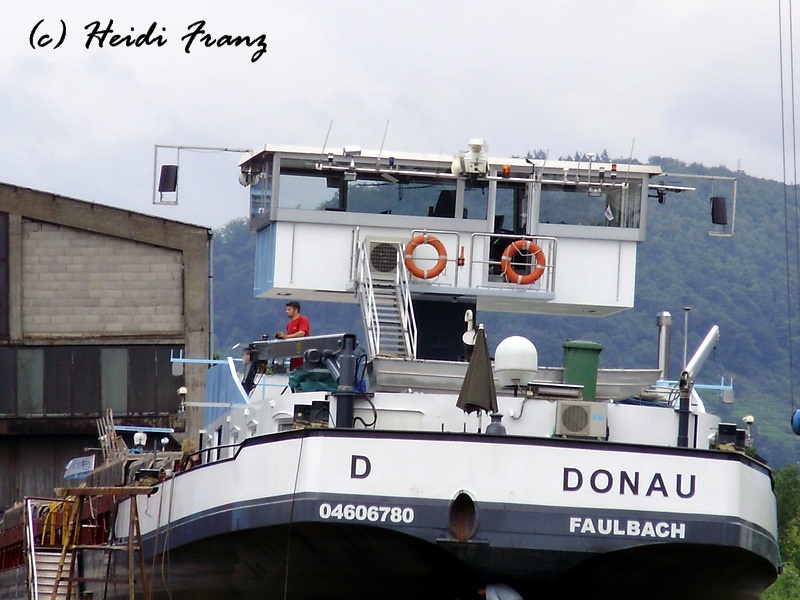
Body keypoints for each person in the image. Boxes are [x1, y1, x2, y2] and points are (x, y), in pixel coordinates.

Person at [276, 301, 310, 370]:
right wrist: (282, 337)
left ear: (296, 310)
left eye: (289, 309)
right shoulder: (289, 324)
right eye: (287, 309)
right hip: (293, 356)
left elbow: (302, 333)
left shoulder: (303, 320)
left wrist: (286, 336)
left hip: (303, 356)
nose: (287, 311)